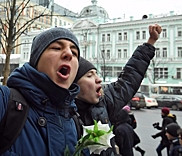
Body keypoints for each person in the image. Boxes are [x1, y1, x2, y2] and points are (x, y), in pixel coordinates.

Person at [73, 24, 162, 156]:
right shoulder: (63, 115)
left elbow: (129, 78)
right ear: (74, 85)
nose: (99, 79)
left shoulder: (104, 103)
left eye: (96, 74)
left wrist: (150, 43)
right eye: (90, 75)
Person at [0, 27, 83, 155]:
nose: (69, 54)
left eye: (74, 52)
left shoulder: (74, 123)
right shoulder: (5, 101)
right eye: (57, 48)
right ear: (36, 60)